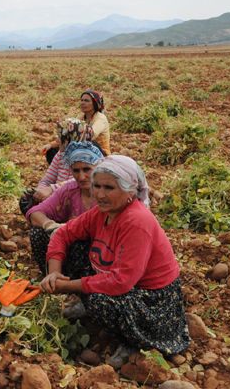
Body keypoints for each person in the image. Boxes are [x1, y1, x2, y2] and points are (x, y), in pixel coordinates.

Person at [40, 155, 189, 366]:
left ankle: (133, 342)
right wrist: (54, 272)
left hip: (151, 298)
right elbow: (62, 234)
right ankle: (88, 305)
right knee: (58, 241)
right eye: (97, 186)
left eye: (109, 188)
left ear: (130, 192)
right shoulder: (102, 212)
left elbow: (122, 281)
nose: (99, 194)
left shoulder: (137, 222)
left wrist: (70, 286)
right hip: (116, 278)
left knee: (99, 300)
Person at [26, 141, 104, 275]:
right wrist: (51, 225)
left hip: (99, 250)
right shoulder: (69, 189)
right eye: (76, 170)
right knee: (37, 232)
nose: (81, 176)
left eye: (86, 169)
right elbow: (34, 212)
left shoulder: (106, 194)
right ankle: (54, 276)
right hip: (68, 242)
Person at [19, 118, 95, 214]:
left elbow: (76, 183)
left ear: (70, 139)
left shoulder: (88, 158)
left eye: (60, 137)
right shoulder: (60, 155)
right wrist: (41, 192)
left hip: (75, 199)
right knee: (27, 199)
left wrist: (52, 189)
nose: (57, 140)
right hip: (56, 196)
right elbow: (47, 179)